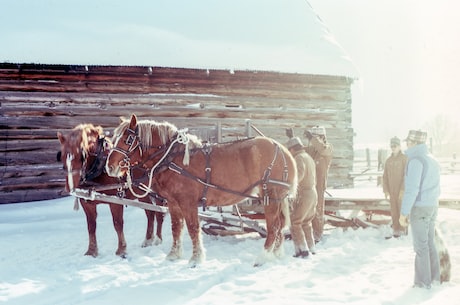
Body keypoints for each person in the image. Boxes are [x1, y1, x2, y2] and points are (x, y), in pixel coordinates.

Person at [399, 130, 441, 289]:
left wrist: (403, 213)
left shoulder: (416, 160)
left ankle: (423, 283)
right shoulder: (432, 159)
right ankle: (435, 278)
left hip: (420, 207)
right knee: (430, 243)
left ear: (414, 143)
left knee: (421, 246)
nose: (406, 144)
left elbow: (412, 190)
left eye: (408, 142)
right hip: (432, 205)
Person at [285, 136, 318, 258]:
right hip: (313, 193)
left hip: (304, 194)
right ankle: (311, 248)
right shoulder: (308, 157)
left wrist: (289, 187)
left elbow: (299, 175)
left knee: (295, 221)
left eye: (289, 150)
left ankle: (303, 250)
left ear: (293, 149)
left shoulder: (298, 158)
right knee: (306, 222)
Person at [304, 126, 333, 243]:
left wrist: (312, 138)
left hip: (319, 184)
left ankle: (318, 234)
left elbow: (322, 149)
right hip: (310, 183)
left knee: (318, 209)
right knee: (308, 209)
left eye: (316, 137)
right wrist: (292, 138)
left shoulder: (328, 148)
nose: (313, 140)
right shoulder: (313, 150)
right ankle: (309, 233)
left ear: (322, 137)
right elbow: (300, 150)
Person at [382, 136, 407, 237]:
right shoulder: (388, 160)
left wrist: (403, 189)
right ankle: (396, 229)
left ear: (400, 146)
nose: (393, 147)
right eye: (391, 146)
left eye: (395, 145)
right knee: (394, 210)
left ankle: (404, 229)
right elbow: (385, 176)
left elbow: (407, 175)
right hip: (392, 191)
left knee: (402, 210)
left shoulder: (404, 159)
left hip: (401, 190)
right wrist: (385, 190)